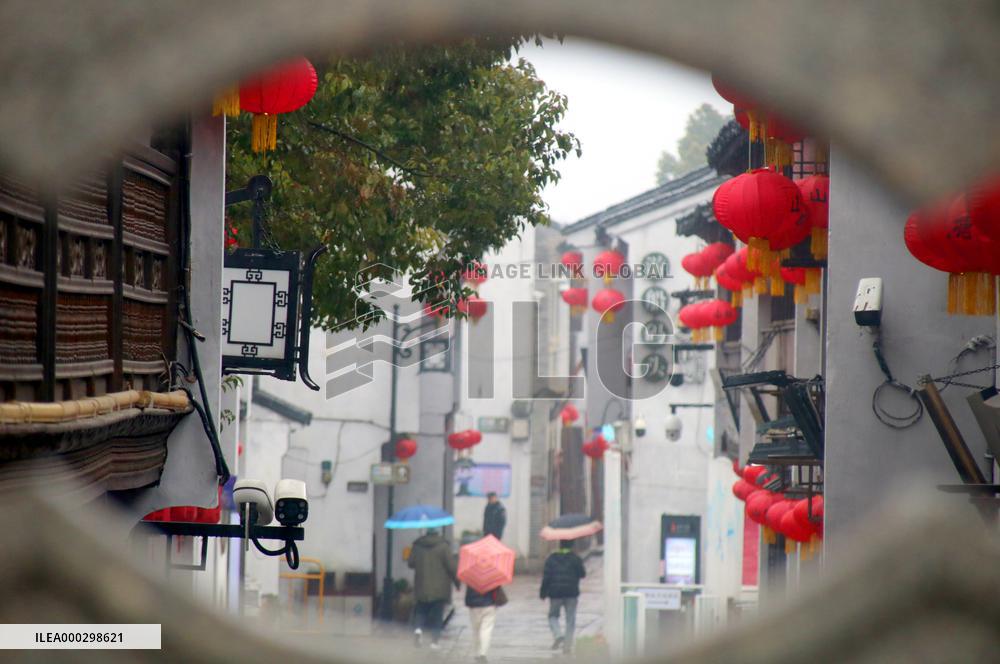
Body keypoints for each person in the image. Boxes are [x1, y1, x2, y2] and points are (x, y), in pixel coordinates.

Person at [408, 529, 459, 649]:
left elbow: (410, 563)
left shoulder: (417, 545)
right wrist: (457, 583)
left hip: (421, 586)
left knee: (420, 611)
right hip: (439, 588)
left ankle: (418, 630)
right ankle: (434, 642)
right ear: (437, 534)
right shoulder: (444, 546)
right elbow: (452, 567)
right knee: (437, 615)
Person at [540, 540, 586, 654]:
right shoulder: (575, 558)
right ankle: (567, 646)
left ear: (559, 545)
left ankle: (558, 635)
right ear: (572, 545)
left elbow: (546, 577)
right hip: (571, 593)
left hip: (555, 594)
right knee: (570, 620)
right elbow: (583, 574)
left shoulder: (551, 558)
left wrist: (543, 592)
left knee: (553, 616)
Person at [465, 585, 502, 663]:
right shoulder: (492, 576)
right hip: (489, 605)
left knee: (476, 630)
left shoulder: (471, 576)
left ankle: (476, 653)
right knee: (486, 630)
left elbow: (468, 594)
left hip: (474, 606)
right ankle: (483, 653)